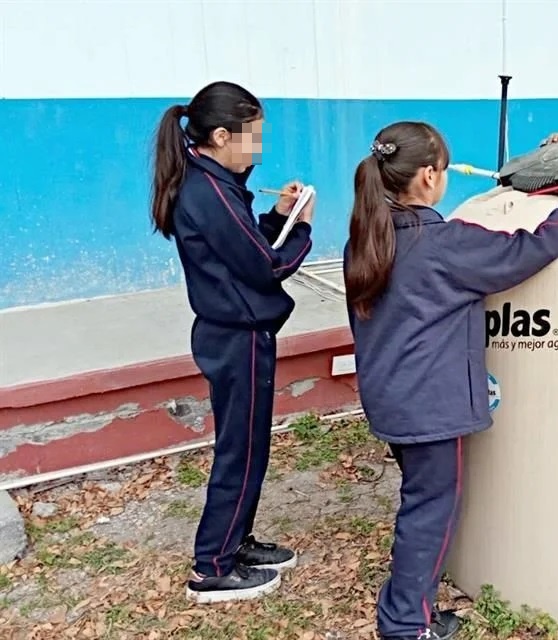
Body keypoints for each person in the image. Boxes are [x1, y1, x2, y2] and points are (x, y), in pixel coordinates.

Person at [343, 121, 558, 640]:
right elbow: (525, 251)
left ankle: (417, 610)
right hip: (432, 409)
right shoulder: (445, 243)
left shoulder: (368, 237)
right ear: (430, 175)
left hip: (390, 400)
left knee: (421, 499)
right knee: (430, 510)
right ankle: (406, 623)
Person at [150, 80, 316, 603]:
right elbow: (266, 267)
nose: (258, 150)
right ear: (222, 135)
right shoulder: (210, 191)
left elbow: (242, 243)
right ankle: (213, 566)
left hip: (237, 333)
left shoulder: (213, 183)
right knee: (240, 451)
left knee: (249, 446)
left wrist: (277, 216)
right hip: (235, 337)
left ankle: (234, 541)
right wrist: (303, 230)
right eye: (253, 137)